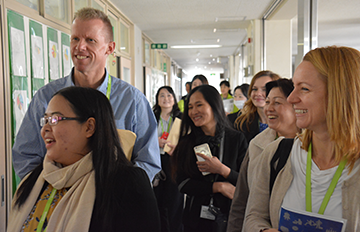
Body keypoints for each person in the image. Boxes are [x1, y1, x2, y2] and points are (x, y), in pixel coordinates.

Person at [12, 7, 161, 181]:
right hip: (59, 202)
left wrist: (119, 193)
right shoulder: (46, 97)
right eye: (75, 38)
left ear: (109, 48)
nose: (80, 47)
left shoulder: (132, 101)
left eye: (90, 40)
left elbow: (148, 162)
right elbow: (25, 156)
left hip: (112, 202)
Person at [7, 87, 160, 232]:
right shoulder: (34, 180)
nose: (45, 129)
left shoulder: (126, 184)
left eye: (55, 119)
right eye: (45, 120)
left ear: (89, 127)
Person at [244, 46, 360, 232]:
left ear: (340, 94)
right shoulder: (277, 153)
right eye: (294, 86)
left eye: (304, 89)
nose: (291, 98)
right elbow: (253, 217)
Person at [172, 85, 248, 232]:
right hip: (195, 220)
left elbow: (247, 181)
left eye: (199, 105)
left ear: (214, 105)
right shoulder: (187, 143)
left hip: (230, 218)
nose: (194, 112)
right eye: (190, 107)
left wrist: (222, 170)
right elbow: (182, 184)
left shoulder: (236, 139)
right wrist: (218, 187)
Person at [227, 79, 298, 232]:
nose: (269, 109)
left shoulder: (312, 147)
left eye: (277, 103)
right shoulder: (257, 145)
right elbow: (242, 199)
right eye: (267, 102)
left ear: (296, 106)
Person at [152, 86, 183, 232]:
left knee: (174, 199)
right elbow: (143, 137)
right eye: (162, 96)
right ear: (157, 100)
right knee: (157, 198)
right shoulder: (151, 116)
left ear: (174, 99)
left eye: (169, 95)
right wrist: (155, 141)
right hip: (155, 159)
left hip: (173, 161)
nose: (166, 99)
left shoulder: (181, 117)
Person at [229, 71, 280, 143]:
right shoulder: (239, 122)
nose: (258, 93)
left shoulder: (286, 123)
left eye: (264, 89)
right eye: (255, 89)